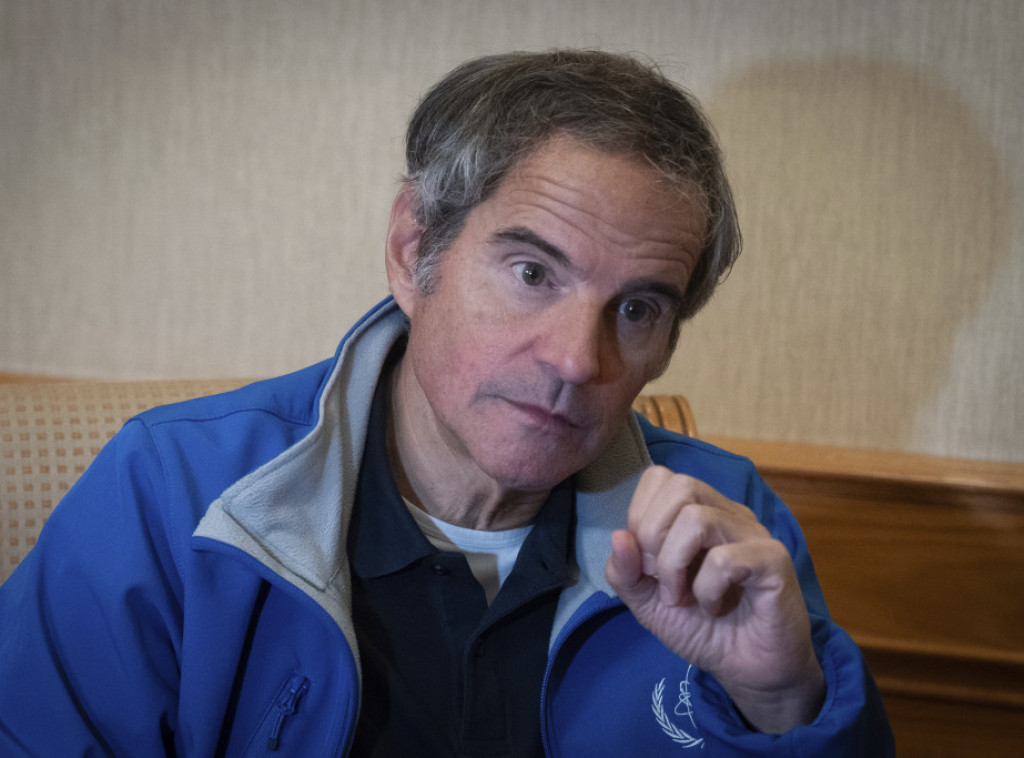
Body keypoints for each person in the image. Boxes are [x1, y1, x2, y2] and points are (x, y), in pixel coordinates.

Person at [0, 50, 893, 755]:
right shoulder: (169, 494)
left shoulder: (727, 527)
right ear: (411, 251)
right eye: (532, 272)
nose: (578, 359)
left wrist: (782, 698)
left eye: (636, 309)